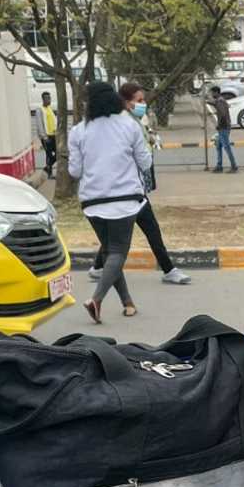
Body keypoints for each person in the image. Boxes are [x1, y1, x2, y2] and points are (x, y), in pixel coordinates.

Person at [87, 82, 191, 286]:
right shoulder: (124, 124)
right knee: (150, 229)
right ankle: (169, 269)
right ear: (127, 103)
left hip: (132, 188)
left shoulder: (134, 121)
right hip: (128, 190)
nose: (143, 104)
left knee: (116, 234)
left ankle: (98, 267)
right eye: (139, 101)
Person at [68, 81, 152, 323]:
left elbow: (75, 171)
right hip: (125, 199)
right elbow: (145, 163)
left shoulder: (78, 131)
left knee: (109, 252)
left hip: (92, 202)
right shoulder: (129, 125)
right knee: (117, 252)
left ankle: (128, 303)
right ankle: (96, 300)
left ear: (88, 103)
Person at [209, 86, 238, 173]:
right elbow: (217, 104)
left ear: (216, 92)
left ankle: (234, 166)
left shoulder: (220, 101)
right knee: (218, 145)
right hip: (224, 126)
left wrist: (219, 125)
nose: (212, 94)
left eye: (212, 93)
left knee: (226, 147)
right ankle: (219, 165)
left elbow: (223, 115)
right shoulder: (220, 100)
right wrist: (209, 102)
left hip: (223, 127)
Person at [33, 92, 58, 178]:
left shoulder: (49, 108)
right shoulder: (39, 110)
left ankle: (47, 168)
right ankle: (49, 174)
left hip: (53, 135)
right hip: (46, 136)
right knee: (49, 154)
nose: (49, 100)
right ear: (43, 99)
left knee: (58, 153)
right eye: (47, 98)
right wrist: (44, 137)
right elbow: (40, 124)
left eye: (49, 98)